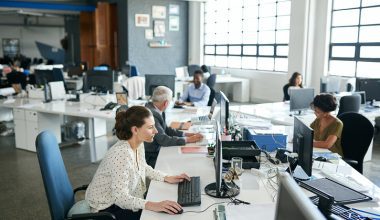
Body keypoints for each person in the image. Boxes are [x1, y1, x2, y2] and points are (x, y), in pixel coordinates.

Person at [85, 106, 190, 219]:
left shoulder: (138, 144)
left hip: (124, 199)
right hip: (107, 207)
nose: (156, 131)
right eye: (150, 127)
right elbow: (120, 197)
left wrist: (166, 177)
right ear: (135, 130)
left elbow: (142, 167)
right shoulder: (121, 154)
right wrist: (153, 205)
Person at [145, 86, 203, 167]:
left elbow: (166, 129)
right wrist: (188, 140)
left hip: (158, 151)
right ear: (166, 103)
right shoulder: (152, 115)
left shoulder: (157, 109)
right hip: (152, 156)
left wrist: (185, 135)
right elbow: (163, 140)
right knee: (182, 163)